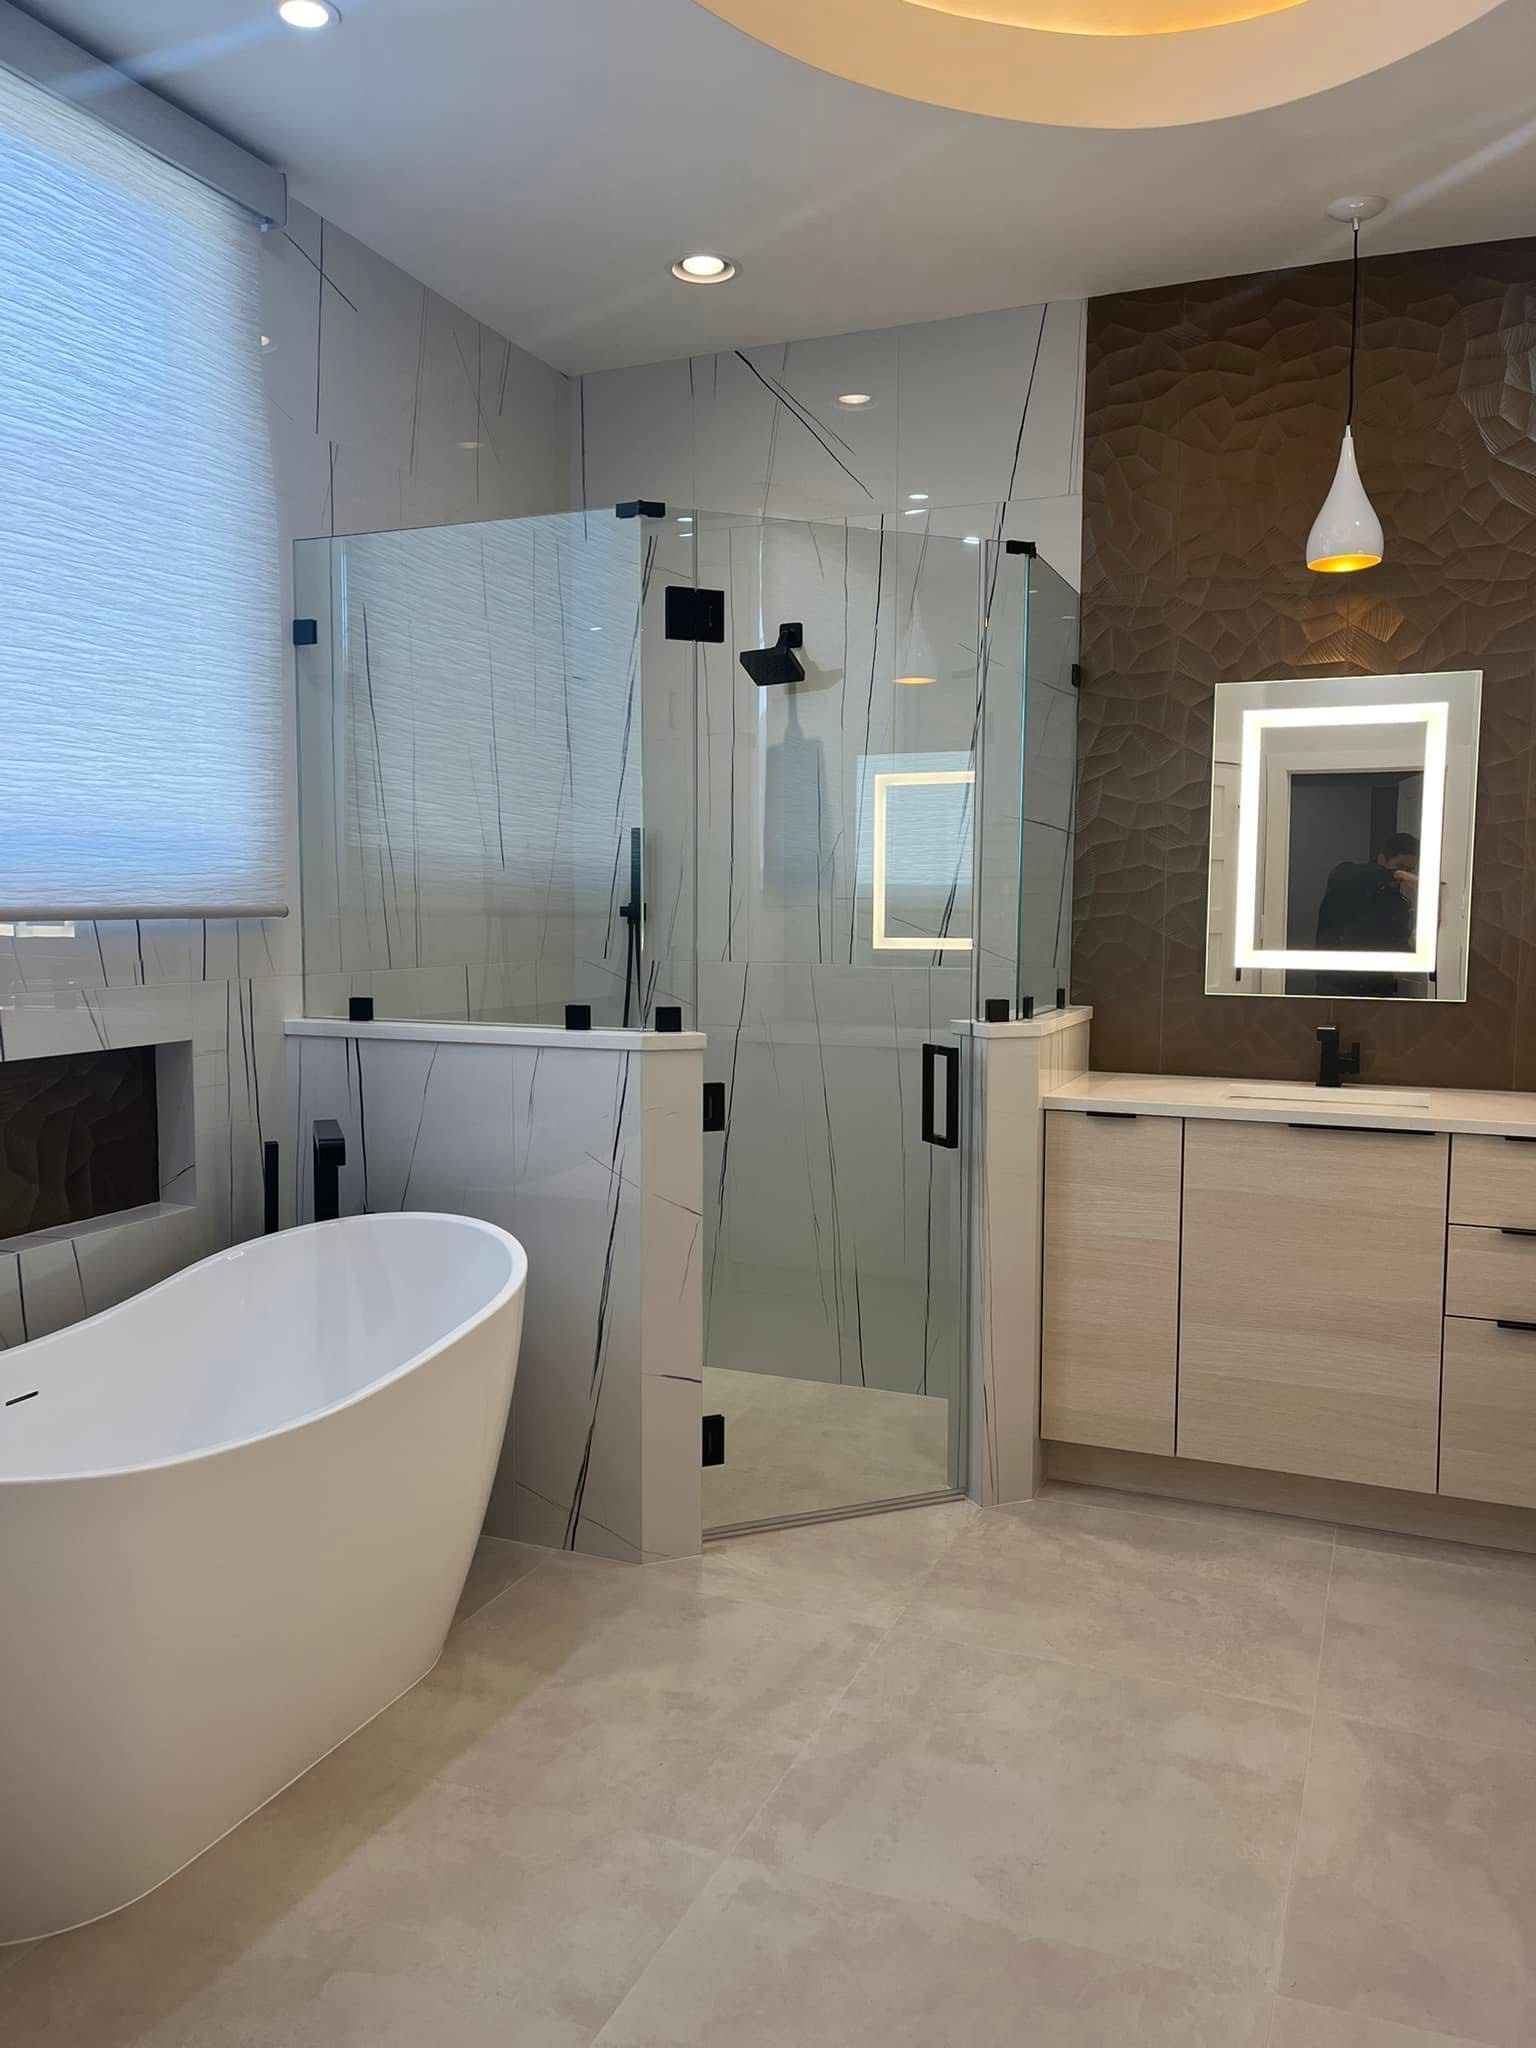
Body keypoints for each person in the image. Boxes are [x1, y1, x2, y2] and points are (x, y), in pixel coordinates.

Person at [1312, 831, 1419, 996]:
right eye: (1400, 867)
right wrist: (1398, 875)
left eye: (1410, 870)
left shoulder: (1400, 903)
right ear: (1382, 859)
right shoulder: (1347, 876)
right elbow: (1348, 875)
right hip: (1336, 984)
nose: (1405, 876)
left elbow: (1398, 946)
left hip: (1379, 987)